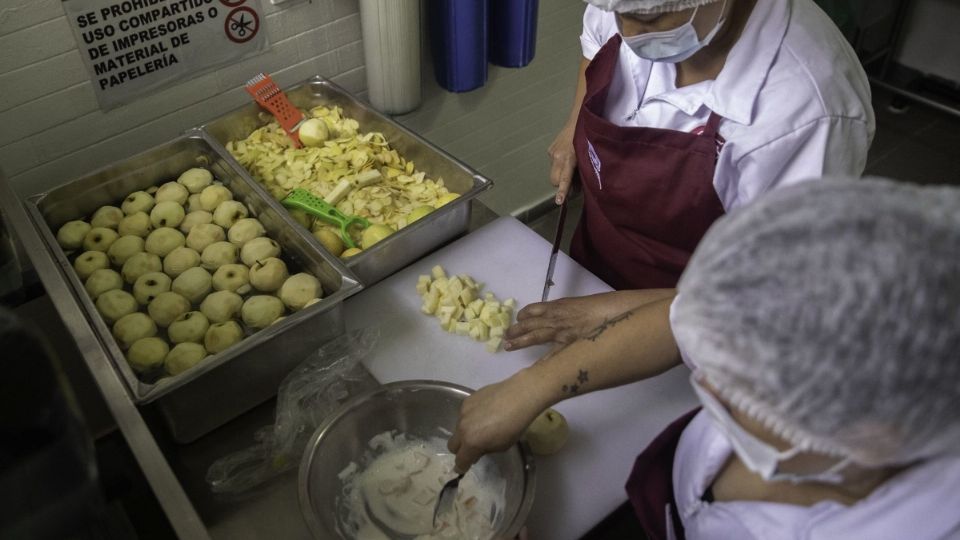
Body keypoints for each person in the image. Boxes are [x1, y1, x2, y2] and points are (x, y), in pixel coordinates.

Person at [450, 178, 960, 539]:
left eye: (748, 394)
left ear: (875, 436)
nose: (707, 384)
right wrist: (530, 387)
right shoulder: (832, 354)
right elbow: (688, 320)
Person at [508, 0, 876, 350]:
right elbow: (598, 38)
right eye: (619, 11)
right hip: (593, 268)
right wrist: (575, 128)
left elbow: (778, 294)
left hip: (704, 334)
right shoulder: (628, 9)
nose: (629, 31)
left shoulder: (811, 110)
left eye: (651, 20)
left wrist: (610, 315)